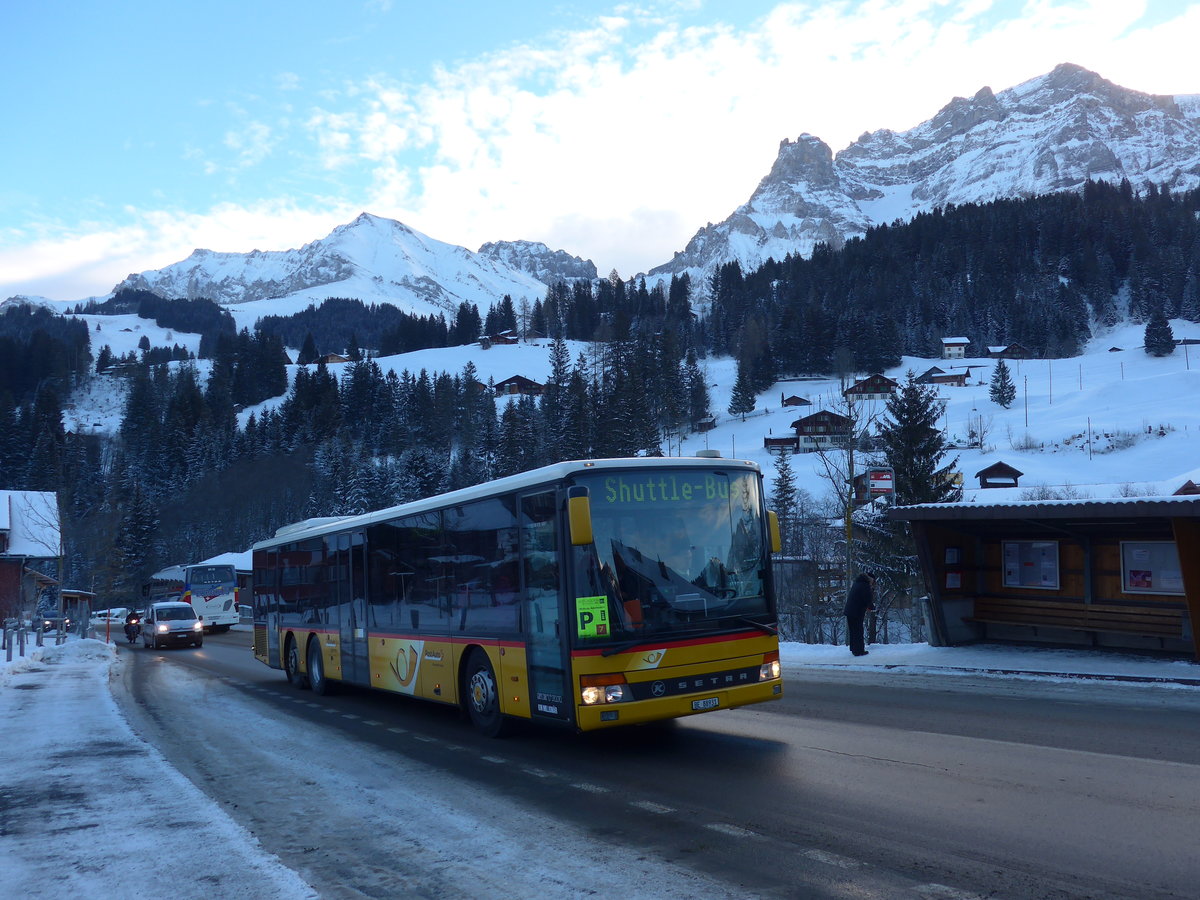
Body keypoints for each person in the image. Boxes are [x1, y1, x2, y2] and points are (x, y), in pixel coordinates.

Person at [843, 571, 876, 656]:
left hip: (850, 611)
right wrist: (872, 607)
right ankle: (859, 651)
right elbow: (867, 599)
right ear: (870, 579)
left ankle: (854, 649)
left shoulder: (858, 582)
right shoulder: (865, 585)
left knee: (853, 631)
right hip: (856, 612)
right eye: (873, 580)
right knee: (858, 631)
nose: (873, 582)